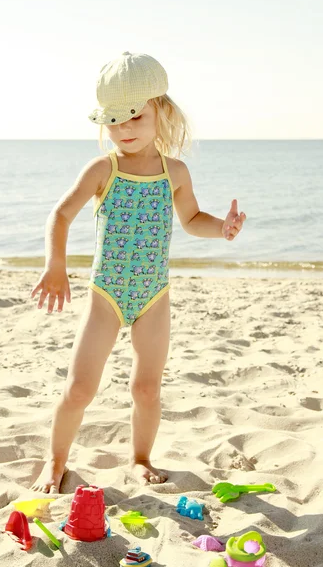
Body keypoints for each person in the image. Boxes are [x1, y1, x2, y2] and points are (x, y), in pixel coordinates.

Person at [30, 51, 246, 494]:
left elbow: (190, 220)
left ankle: (141, 459)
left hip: (154, 295)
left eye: (135, 118)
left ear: (160, 112)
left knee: (147, 389)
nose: (124, 131)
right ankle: (54, 462)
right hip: (107, 293)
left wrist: (221, 228)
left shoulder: (175, 172)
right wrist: (56, 266)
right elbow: (61, 215)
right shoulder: (103, 168)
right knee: (79, 389)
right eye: (113, 122)